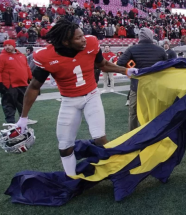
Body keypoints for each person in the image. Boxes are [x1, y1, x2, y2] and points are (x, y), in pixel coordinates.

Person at [16, 19, 138, 177]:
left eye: (83, 35)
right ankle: (71, 178)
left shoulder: (91, 43)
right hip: (69, 101)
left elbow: (103, 65)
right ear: (66, 42)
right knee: (65, 145)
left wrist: (125, 71)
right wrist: (23, 118)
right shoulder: (46, 56)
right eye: (78, 38)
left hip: (92, 96)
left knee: (99, 138)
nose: (84, 40)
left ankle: (116, 172)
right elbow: (34, 87)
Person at [117, 27, 167, 131]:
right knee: (154, 111)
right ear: (151, 36)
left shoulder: (132, 49)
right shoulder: (160, 50)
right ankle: (153, 133)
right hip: (154, 86)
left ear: (140, 37)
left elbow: (119, 63)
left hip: (137, 86)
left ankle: (132, 135)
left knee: (133, 112)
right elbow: (168, 67)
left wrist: (131, 67)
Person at [0, 40, 37, 125]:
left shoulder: (21, 56)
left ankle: (24, 119)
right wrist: (0, 83)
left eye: (9, 45)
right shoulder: (0, 57)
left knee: (23, 103)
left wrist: (30, 78)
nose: (7, 47)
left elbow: (26, 67)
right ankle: (10, 122)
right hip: (9, 85)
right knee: (9, 104)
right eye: (5, 45)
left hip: (22, 84)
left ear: (14, 46)